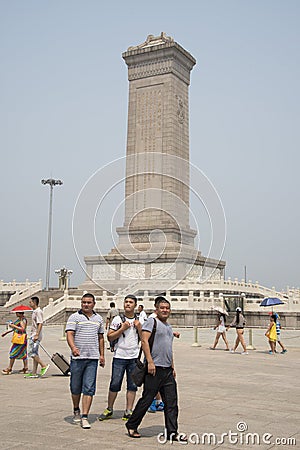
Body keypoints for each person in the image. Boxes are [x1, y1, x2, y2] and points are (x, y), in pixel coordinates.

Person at [125, 296, 187, 442]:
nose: (165, 310)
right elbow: (144, 341)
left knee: (172, 402)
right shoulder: (151, 322)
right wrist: (150, 362)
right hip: (154, 369)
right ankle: (132, 424)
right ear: (156, 309)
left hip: (167, 370)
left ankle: (172, 432)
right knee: (147, 399)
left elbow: (168, 348)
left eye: (167, 308)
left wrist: (172, 366)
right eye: (162, 308)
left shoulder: (168, 327)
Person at [98, 294, 142, 422]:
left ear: (135, 305)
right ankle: (110, 408)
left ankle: (129, 410)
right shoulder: (117, 319)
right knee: (115, 383)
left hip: (134, 356)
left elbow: (144, 338)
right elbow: (110, 337)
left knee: (132, 385)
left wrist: (139, 327)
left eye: (130, 302)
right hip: (119, 356)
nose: (128, 304)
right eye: (126, 302)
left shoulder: (140, 319)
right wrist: (122, 329)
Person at [66, 293, 105, 429]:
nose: (86, 305)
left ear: (94, 304)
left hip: (92, 358)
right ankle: (76, 409)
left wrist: (102, 355)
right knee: (75, 387)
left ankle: (84, 416)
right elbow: (69, 334)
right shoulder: (74, 317)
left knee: (89, 387)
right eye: (83, 302)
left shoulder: (99, 319)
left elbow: (100, 337)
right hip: (77, 358)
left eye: (88, 302)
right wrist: (73, 347)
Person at [24, 297, 50, 378]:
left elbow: (40, 323)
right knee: (35, 353)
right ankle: (34, 372)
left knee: (32, 353)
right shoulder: (35, 311)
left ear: (34, 303)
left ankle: (43, 365)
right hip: (33, 334)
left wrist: (37, 334)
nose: (29, 303)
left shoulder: (38, 312)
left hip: (35, 335)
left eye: (30, 302)